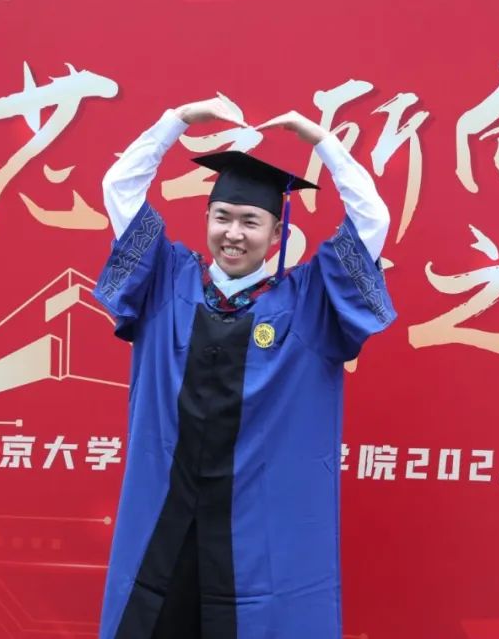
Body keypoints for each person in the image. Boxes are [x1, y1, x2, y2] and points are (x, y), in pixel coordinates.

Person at [93, 97, 396, 639]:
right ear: (207, 220)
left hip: (257, 527)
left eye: (250, 222)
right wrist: (174, 122)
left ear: (276, 235)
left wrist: (324, 143)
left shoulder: (308, 300)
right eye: (223, 217)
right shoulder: (167, 280)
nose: (234, 233)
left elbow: (372, 220)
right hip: (168, 514)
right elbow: (119, 187)